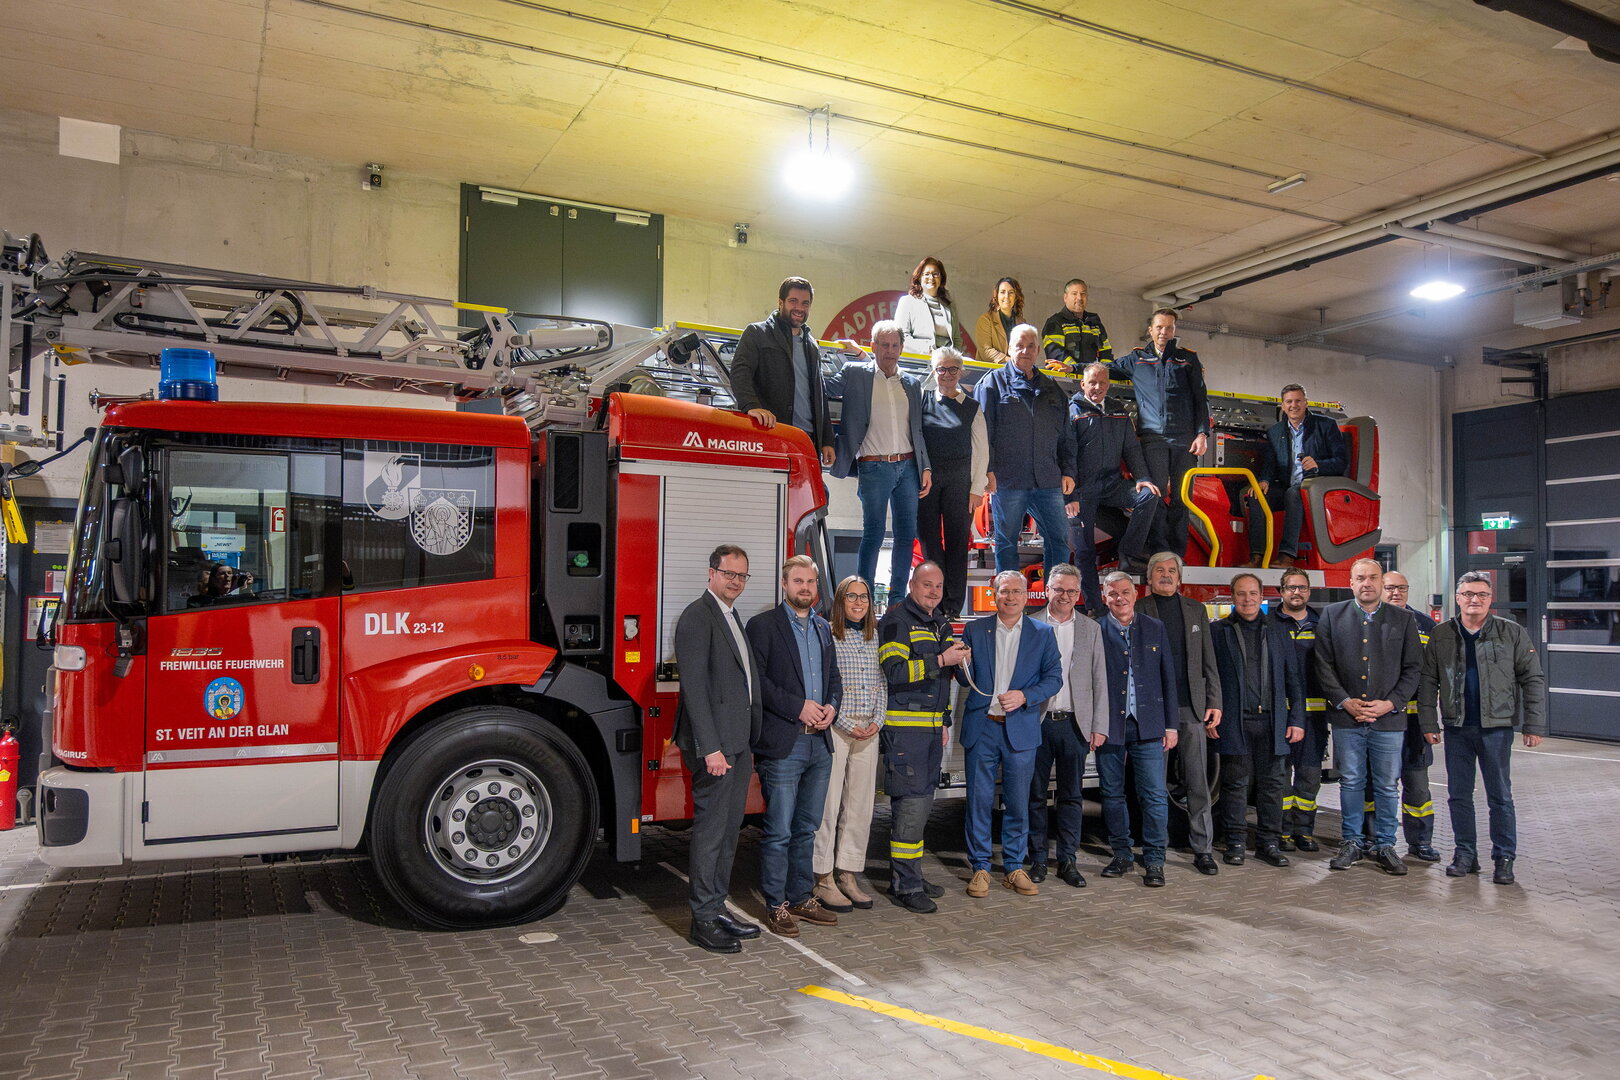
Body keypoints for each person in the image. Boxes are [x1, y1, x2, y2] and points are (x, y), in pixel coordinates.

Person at [1419, 572, 1547, 885]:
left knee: (1500, 796)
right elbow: (1428, 681)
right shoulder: (1441, 634)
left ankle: (1504, 858)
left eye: (1481, 594)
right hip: (1457, 728)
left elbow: (1532, 679)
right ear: (1458, 598)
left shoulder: (1511, 632)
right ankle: (1465, 854)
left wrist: (1533, 724)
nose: (1474, 600)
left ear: (1490, 599)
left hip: (1496, 729)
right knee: (1459, 796)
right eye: (1467, 594)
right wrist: (1429, 722)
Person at [672, 544, 765, 953]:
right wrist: (709, 748)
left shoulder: (730, 615)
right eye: (729, 574)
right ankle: (702, 920)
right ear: (712, 573)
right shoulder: (697, 616)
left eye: (742, 576)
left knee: (728, 833)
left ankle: (716, 906)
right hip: (717, 749)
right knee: (711, 834)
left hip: (737, 744)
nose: (736, 582)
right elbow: (694, 688)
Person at [746, 555, 843, 937]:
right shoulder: (763, 626)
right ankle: (776, 905)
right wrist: (798, 707)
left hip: (819, 744)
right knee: (779, 832)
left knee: (807, 829)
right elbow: (758, 682)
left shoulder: (822, 627)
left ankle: (801, 897)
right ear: (784, 584)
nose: (805, 587)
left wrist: (832, 706)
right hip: (784, 744)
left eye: (810, 582)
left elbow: (834, 678)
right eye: (798, 581)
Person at [1315, 558, 1426, 876]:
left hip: (1388, 721)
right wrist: (1344, 701)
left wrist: (1391, 703)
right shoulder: (1332, 616)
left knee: (1387, 785)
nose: (1367, 583)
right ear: (1350, 583)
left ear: (1381, 582)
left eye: (1373, 577)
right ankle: (1351, 842)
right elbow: (1323, 665)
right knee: (1350, 782)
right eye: (1360, 578)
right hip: (1347, 719)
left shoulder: (1403, 619)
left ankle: (1385, 845)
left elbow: (1413, 669)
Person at [958, 571, 1063, 898]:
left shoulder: (1042, 633)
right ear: (994, 594)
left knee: (1018, 802)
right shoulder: (975, 630)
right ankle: (980, 867)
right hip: (982, 727)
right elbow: (964, 680)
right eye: (1004, 591)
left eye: (1017, 591)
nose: (1011, 597)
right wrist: (961, 664)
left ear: (1026, 595)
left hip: (1020, 729)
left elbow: (1054, 678)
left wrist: (1025, 696)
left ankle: (1014, 866)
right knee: (978, 800)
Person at [876, 561, 969, 913]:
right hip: (905, 733)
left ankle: (909, 873)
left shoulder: (939, 622)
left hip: (930, 732)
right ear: (912, 585)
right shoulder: (896, 621)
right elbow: (895, 672)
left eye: (938, 586)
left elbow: (943, 683)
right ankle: (906, 886)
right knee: (910, 808)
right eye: (926, 584)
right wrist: (941, 659)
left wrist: (943, 719)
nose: (933, 591)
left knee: (921, 807)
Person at [830, 320, 932, 598]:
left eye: (895, 345)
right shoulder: (855, 373)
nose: (890, 350)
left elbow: (918, 430)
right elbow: (822, 388)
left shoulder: (911, 383)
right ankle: (862, 597)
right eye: (884, 345)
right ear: (873, 346)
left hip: (908, 467)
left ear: (901, 347)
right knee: (873, 534)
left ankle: (897, 599)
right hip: (873, 466)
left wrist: (925, 466)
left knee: (905, 536)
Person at [1209, 573, 1305, 868]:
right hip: (1234, 723)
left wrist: (1296, 719)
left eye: (1253, 593)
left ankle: (1269, 844)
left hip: (1273, 724)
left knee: (1273, 786)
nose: (1247, 599)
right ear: (1232, 597)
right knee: (1234, 785)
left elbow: (1293, 679)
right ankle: (1235, 842)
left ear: (1262, 596)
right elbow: (1209, 677)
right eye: (1241, 593)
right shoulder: (1218, 632)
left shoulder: (1279, 631)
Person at [1137, 552, 1223, 876]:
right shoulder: (1139, 609)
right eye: (1159, 569)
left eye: (1172, 570)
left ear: (1179, 577)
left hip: (1191, 708)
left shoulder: (1195, 609)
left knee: (1198, 783)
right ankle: (1155, 851)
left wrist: (1215, 700)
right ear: (1149, 577)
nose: (1166, 574)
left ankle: (1203, 850)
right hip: (1153, 711)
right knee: (1154, 786)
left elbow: (1208, 660)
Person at [1027, 564, 1108, 887]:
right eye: (1059, 589)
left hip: (1075, 724)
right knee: (1034, 795)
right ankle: (1037, 859)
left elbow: (1100, 679)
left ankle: (1067, 860)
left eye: (1071, 591)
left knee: (1072, 796)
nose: (1065, 596)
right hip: (1037, 722)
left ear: (1078, 594)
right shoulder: (1030, 624)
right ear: (1047, 590)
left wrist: (1099, 725)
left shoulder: (1091, 628)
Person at [1096, 571, 1179, 886]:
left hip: (1149, 726)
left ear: (1135, 594)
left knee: (1154, 795)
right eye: (1113, 593)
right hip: (1109, 727)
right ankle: (1121, 855)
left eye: (1125, 592)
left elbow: (1168, 678)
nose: (1119, 598)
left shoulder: (1155, 627)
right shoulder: (1095, 630)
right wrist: (1093, 725)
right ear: (1104, 597)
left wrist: (1171, 725)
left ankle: (1155, 860)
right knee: (1111, 794)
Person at [1108, 308, 1209, 558]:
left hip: (1185, 441)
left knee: (1182, 499)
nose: (1164, 332)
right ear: (1150, 330)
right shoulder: (1137, 359)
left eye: (1169, 327)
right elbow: (1104, 369)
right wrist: (1072, 368)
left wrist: (1202, 434)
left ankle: (1177, 554)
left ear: (1174, 330)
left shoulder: (1188, 359)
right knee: (1156, 496)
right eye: (1159, 327)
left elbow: (1201, 399)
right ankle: (1161, 551)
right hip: (1153, 440)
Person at [977, 323, 1077, 574]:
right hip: (1008, 480)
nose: (1025, 351)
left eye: (1030, 346)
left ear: (1038, 350)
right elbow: (982, 434)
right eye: (1019, 346)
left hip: (1047, 480)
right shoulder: (992, 384)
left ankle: (1055, 595)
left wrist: (1068, 471)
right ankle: (1009, 595)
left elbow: (1066, 435)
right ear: (1009, 348)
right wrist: (987, 470)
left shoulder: (1052, 388)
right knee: (1006, 543)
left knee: (1059, 541)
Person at [813, 576, 886, 913]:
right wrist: (844, 723)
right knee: (829, 805)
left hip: (868, 731)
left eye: (864, 597)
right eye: (852, 597)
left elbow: (881, 683)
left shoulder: (874, 636)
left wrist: (877, 721)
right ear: (840, 601)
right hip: (837, 729)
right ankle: (822, 875)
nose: (859, 603)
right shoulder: (827, 634)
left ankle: (848, 872)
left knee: (860, 807)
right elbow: (823, 682)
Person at [1067, 363, 1160, 611]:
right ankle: (1094, 608)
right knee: (1085, 551)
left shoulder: (1118, 411)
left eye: (1102, 383)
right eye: (1092, 382)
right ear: (1083, 384)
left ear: (1108, 385)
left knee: (1148, 496)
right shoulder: (1073, 412)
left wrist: (1142, 477)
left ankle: (1128, 555)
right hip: (1082, 491)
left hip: (1112, 484)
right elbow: (1066, 456)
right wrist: (1070, 496)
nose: (1097, 387)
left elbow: (1131, 448)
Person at [730, 276, 837, 466]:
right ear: (781, 302)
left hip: (807, 440)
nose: (799, 308)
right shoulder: (757, 333)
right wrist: (751, 405)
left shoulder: (811, 344)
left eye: (805, 303)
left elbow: (820, 395)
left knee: (811, 487)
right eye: (793, 301)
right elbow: (740, 371)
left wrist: (827, 440)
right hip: (772, 433)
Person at [1242, 384, 1348, 569]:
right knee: (1256, 495)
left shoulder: (1326, 425)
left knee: (1294, 493)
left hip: (1316, 486)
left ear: (1306, 403)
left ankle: (1286, 556)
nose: (1293, 405)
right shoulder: (1275, 432)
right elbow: (1270, 464)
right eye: (1289, 402)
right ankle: (1257, 556)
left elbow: (1341, 461)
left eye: (1298, 401)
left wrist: (1318, 465)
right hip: (1287, 485)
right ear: (1283, 406)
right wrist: (1264, 480)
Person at [917, 346, 988, 618]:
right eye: (941, 369)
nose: (947, 374)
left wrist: (977, 489)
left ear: (961, 372)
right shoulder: (922, 400)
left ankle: (953, 606)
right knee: (929, 541)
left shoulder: (972, 407)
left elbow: (982, 451)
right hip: (927, 482)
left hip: (960, 483)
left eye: (953, 369)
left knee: (958, 543)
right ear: (933, 371)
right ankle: (932, 602)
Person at [1376, 570, 1441, 861]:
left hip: (1415, 721)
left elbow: (1434, 675)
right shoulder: (1370, 621)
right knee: (1376, 783)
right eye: (1390, 588)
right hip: (1380, 717)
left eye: (1401, 588)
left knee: (1417, 784)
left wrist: (1431, 720)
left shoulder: (1426, 625)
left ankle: (1420, 841)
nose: (1396, 593)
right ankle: (1372, 838)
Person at [1273, 567, 1329, 851]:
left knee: (1309, 776)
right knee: (1280, 777)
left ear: (1309, 591)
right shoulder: (1270, 624)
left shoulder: (1323, 625)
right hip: (1279, 716)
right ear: (1281, 592)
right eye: (1291, 587)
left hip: (1315, 717)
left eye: (1302, 588)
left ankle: (1304, 832)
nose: (1297, 592)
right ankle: (1281, 832)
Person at [1041, 278, 1113, 374]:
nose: (1079, 298)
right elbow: (1056, 354)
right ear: (1065, 298)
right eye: (1074, 294)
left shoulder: (1095, 323)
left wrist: (1104, 373)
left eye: (1083, 294)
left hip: (1092, 379)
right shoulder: (1055, 322)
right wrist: (1078, 371)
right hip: (1065, 380)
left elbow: (1106, 353)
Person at [893, 257, 963, 356]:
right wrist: (929, 351)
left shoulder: (949, 306)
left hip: (947, 360)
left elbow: (957, 340)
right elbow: (901, 338)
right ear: (919, 278)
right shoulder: (907, 302)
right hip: (919, 359)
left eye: (935, 274)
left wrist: (953, 357)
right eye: (926, 274)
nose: (931, 278)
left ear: (941, 278)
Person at [974, 277, 1024, 367]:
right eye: (1002, 292)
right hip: (988, 372)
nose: (1007, 296)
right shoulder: (985, 320)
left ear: (1016, 297)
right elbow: (986, 351)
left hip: (1014, 372)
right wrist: (1010, 361)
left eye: (1011, 292)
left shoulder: (1022, 323)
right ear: (996, 296)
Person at [190, 562, 255, 606]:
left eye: (229, 573)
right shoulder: (195, 601)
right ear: (213, 579)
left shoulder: (233, 596)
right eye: (222, 573)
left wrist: (247, 590)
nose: (227, 576)